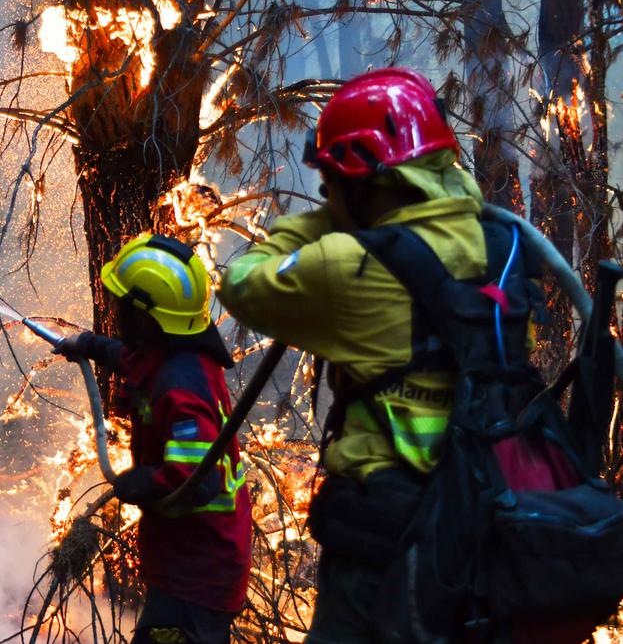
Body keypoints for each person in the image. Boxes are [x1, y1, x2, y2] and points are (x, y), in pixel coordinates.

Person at [216, 67, 514, 642]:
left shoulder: (351, 263)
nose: (326, 194)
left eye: (330, 182)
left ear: (362, 179)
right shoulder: (501, 244)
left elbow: (243, 283)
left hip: (382, 541)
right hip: (481, 525)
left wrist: (330, 217)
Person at [55, 233, 250, 644]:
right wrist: (89, 346)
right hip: (187, 565)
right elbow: (133, 360)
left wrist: (142, 482)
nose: (113, 308)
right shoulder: (173, 355)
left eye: (120, 303)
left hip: (197, 576)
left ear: (144, 317)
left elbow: (198, 477)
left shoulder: (182, 388)